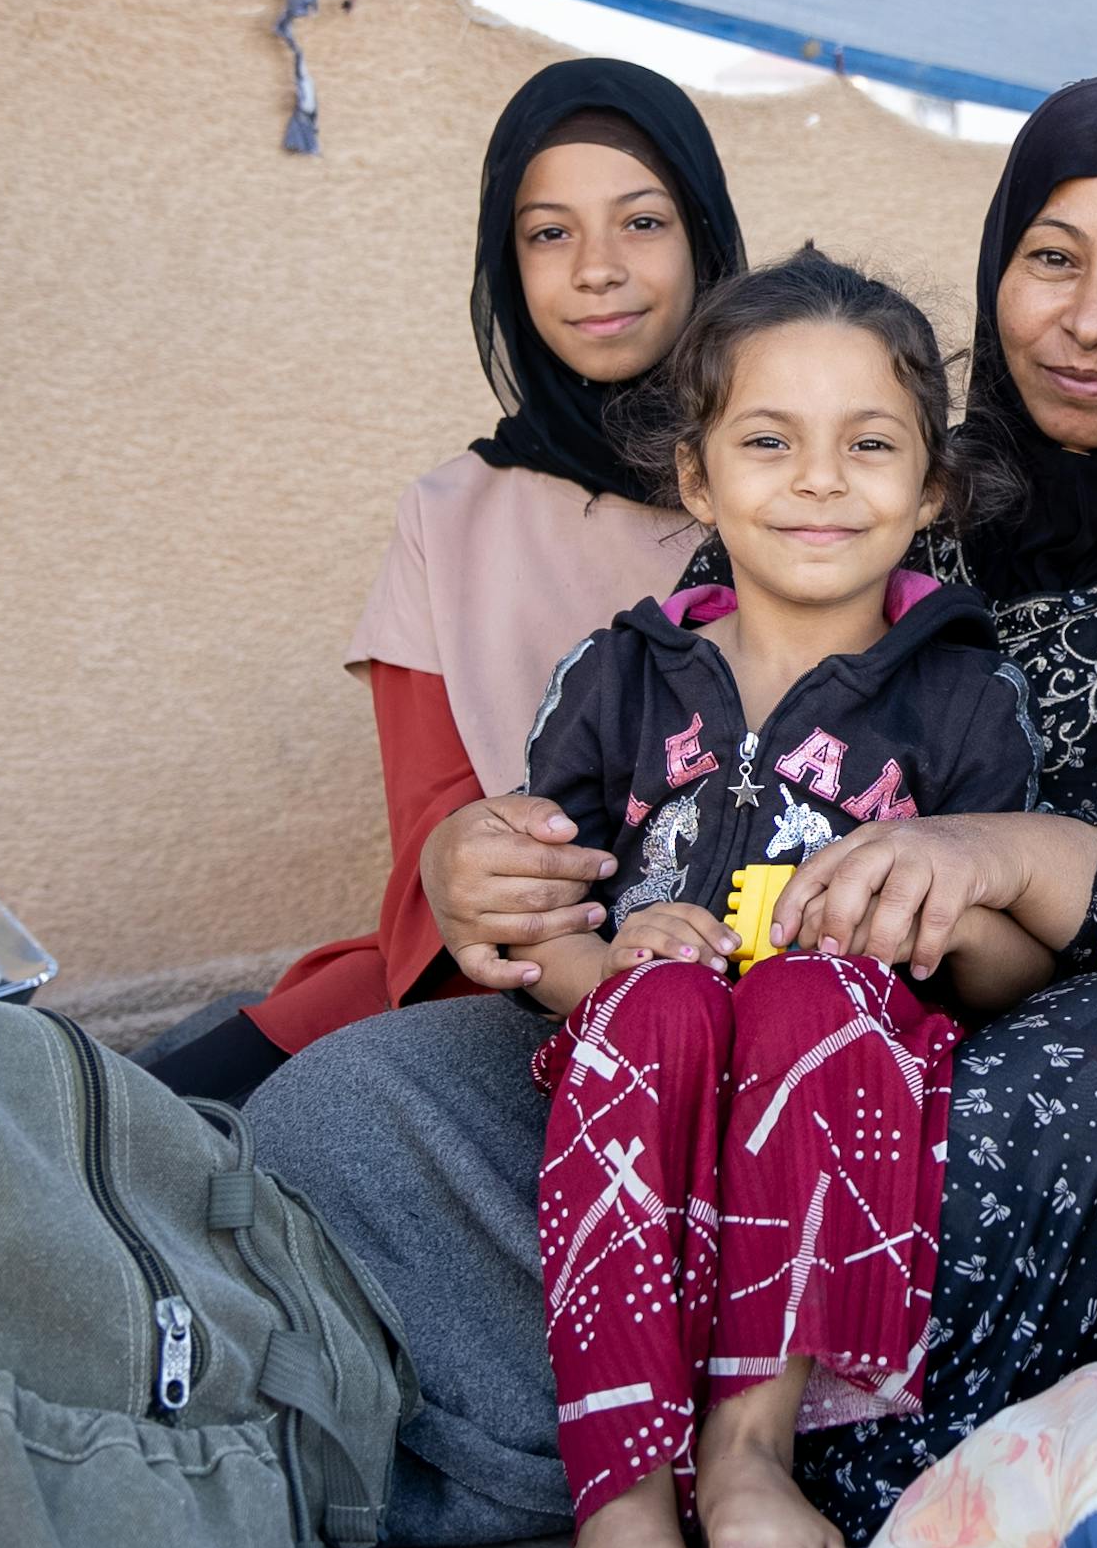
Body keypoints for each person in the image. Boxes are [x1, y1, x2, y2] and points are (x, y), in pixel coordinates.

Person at [256, 78, 1097, 1548]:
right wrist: (503, 887)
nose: (1092, 320)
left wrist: (972, 882)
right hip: (672, 1031)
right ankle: (665, 1428)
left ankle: (740, 1425)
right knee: (346, 1097)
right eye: (1051, 260)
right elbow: (595, 837)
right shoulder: (806, 501)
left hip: (982, 1050)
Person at [517, 253, 1050, 1548]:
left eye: (870, 445)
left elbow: (1013, 972)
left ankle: (751, 1445)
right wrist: (618, 956)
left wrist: (930, 919)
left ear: (932, 488)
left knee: (815, 991)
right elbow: (534, 927)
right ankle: (623, 1497)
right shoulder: (617, 674)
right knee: (660, 1009)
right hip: (649, 1051)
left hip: (851, 1061)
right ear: (695, 478)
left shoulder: (961, 689)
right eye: (768, 441)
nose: (821, 481)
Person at [139, 59, 742, 1102]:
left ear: (703, 237)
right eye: (549, 233)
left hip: (734, 987)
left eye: (641, 222)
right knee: (129, 1123)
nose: (596, 268)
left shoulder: (790, 484)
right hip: (490, 976)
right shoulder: (449, 514)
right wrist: (462, 866)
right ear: (506, 265)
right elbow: (434, 832)